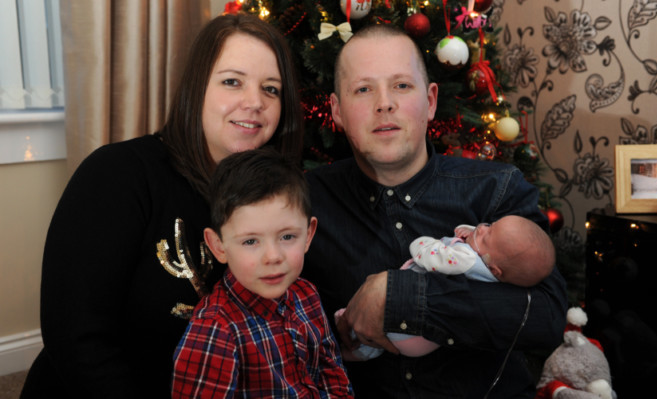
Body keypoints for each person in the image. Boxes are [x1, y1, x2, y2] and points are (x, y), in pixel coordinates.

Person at [20, 14, 303, 399]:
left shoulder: (280, 198)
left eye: (271, 89)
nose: (254, 102)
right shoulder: (118, 174)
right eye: (232, 81)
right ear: (196, 88)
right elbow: (75, 336)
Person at [301, 24, 568, 398]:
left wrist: (399, 296)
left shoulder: (497, 189)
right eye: (363, 89)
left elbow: (547, 316)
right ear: (337, 111)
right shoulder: (305, 202)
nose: (384, 103)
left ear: (430, 101)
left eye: (401, 85)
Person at [172, 148, 353, 398]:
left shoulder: (307, 295)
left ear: (308, 235)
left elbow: (332, 374)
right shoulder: (216, 330)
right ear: (218, 246)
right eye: (250, 242)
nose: (273, 257)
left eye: (287, 236)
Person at [336, 215, 556, 361]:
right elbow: (484, 243)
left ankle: (348, 340)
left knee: (374, 327)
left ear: (494, 267)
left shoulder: (466, 260)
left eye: (487, 235)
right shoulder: (492, 267)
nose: (481, 228)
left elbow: (431, 256)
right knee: (378, 339)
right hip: (422, 341)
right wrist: (474, 234)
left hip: (408, 333)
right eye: (490, 225)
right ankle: (358, 351)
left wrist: (425, 243)